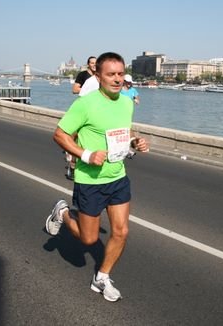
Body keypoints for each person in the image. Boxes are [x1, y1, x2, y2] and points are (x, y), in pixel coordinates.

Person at [46, 52, 149, 302]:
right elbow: (60, 135)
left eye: (120, 74)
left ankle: (102, 277)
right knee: (88, 238)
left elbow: (124, 132)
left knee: (121, 232)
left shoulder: (126, 102)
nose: (117, 79)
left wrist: (135, 141)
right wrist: (87, 154)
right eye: (110, 74)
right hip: (90, 181)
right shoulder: (85, 104)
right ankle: (62, 213)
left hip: (117, 177)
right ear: (98, 76)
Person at [65, 56, 97, 180]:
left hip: (96, 110)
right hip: (83, 108)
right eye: (92, 63)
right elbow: (75, 90)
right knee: (76, 138)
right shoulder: (83, 75)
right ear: (88, 64)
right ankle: (72, 166)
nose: (94, 65)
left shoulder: (100, 76)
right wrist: (89, 89)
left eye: (96, 63)